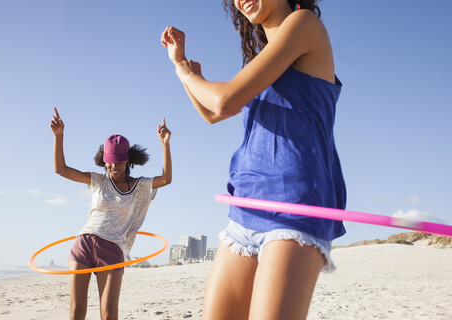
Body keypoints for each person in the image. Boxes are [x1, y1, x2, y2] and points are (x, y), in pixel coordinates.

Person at [161, 0, 346, 319]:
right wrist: (185, 70)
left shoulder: (304, 24)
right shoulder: (265, 59)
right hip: (246, 206)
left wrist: (183, 71)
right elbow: (211, 113)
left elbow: (225, 101)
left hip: (296, 208)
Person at [49, 107, 172, 320]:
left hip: (112, 249)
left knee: (109, 314)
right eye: (110, 160)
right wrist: (59, 136)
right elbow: (61, 169)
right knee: (76, 312)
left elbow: (166, 179)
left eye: (119, 161)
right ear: (103, 160)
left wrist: (165, 144)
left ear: (128, 161)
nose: (113, 165)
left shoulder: (140, 186)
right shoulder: (97, 181)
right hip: (84, 244)